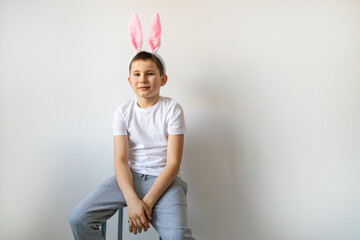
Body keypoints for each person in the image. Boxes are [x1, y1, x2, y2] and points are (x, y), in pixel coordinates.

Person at [69, 13, 195, 240]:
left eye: (149, 74)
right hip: (130, 178)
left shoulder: (172, 109)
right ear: (129, 80)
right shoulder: (123, 112)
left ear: (162, 79)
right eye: (136, 74)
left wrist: (145, 203)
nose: (143, 79)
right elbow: (120, 160)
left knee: (178, 237)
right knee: (78, 218)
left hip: (164, 181)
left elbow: (174, 163)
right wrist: (131, 199)